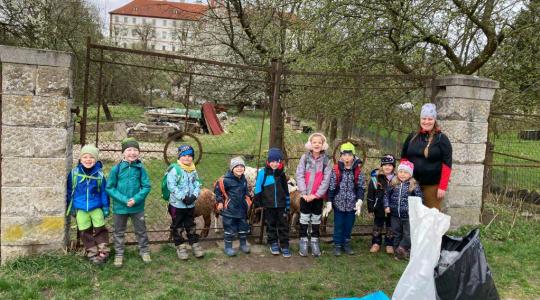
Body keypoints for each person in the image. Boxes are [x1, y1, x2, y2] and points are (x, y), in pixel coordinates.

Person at [106, 138, 152, 267]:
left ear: (139, 152)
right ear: (123, 153)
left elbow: (147, 186)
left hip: (137, 207)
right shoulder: (117, 169)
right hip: (120, 207)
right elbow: (110, 187)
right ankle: (119, 253)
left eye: (135, 150)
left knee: (141, 230)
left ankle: (144, 250)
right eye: (129, 150)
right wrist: (125, 200)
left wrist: (136, 199)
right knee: (119, 231)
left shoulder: (140, 168)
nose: (132, 153)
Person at [401, 103, 452, 210]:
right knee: (412, 215)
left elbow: (446, 165)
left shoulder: (441, 139)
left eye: (430, 119)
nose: (426, 122)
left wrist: (442, 187)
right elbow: (404, 158)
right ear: (420, 119)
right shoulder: (412, 136)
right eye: (424, 118)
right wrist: (403, 177)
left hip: (432, 186)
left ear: (434, 120)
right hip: (412, 183)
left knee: (430, 217)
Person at [67, 144, 110, 265]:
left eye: (91, 157)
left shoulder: (99, 175)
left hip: (96, 206)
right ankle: (91, 251)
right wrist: (71, 206)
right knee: (84, 231)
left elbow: (103, 192)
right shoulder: (74, 174)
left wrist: (106, 207)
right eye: (85, 157)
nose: (88, 160)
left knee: (100, 229)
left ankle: (103, 251)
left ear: (96, 160)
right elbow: (70, 191)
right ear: (80, 159)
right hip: (80, 207)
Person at [324, 142, 365, 256]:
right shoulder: (336, 170)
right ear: (341, 156)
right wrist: (329, 201)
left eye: (350, 155)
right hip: (339, 204)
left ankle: (346, 243)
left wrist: (359, 201)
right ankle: (337, 244)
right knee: (338, 225)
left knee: (348, 225)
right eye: (345, 155)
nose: (347, 157)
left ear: (353, 156)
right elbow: (332, 186)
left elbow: (361, 187)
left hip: (352, 204)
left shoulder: (358, 170)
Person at [295, 133, 332, 257]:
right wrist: (304, 193)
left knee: (316, 219)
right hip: (305, 196)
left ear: (323, 145)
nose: (317, 144)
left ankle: (315, 240)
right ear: (310, 144)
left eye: (319, 142)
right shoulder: (304, 158)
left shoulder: (326, 160)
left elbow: (326, 179)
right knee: (304, 218)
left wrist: (317, 195)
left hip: (317, 197)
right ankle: (303, 241)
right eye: (314, 142)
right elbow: (299, 174)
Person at [165, 144, 204, 260]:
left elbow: (197, 182)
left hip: (190, 204)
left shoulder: (192, 169)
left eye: (190, 156)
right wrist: (183, 197)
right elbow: (171, 185)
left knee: (190, 224)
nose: (187, 158)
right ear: (179, 157)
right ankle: (180, 246)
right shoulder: (175, 169)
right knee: (177, 226)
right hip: (177, 205)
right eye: (184, 156)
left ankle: (194, 243)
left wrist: (194, 195)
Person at [253, 148, 291, 257]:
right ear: (268, 161)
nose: (274, 164)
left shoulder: (281, 174)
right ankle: (273, 243)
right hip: (268, 205)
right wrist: (258, 203)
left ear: (280, 162)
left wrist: (287, 205)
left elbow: (286, 191)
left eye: (277, 161)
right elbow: (258, 188)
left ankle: (284, 245)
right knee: (270, 224)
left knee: (283, 225)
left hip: (281, 205)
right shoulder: (263, 173)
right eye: (272, 161)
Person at [383, 161, 423, 260]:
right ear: (397, 172)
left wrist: (417, 210)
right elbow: (386, 195)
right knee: (396, 233)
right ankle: (397, 252)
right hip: (395, 215)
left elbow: (419, 198)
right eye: (400, 172)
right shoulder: (393, 183)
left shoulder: (413, 185)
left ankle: (404, 250)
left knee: (407, 234)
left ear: (410, 174)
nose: (402, 174)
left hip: (408, 215)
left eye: (405, 172)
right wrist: (386, 206)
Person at [215, 157, 251, 257]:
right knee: (229, 228)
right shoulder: (224, 180)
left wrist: (247, 200)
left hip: (242, 209)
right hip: (229, 210)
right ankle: (228, 247)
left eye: (241, 166)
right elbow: (218, 192)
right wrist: (220, 202)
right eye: (237, 166)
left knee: (243, 227)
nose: (239, 168)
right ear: (232, 168)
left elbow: (245, 191)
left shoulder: (244, 179)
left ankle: (243, 244)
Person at [367, 154, 396, 254]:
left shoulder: (396, 179)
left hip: (391, 208)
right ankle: (376, 243)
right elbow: (370, 194)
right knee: (377, 226)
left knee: (390, 226)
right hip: (378, 207)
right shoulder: (376, 178)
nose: (387, 167)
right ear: (381, 166)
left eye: (390, 165)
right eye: (385, 165)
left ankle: (389, 244)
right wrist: (370, 209)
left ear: (393, 167)